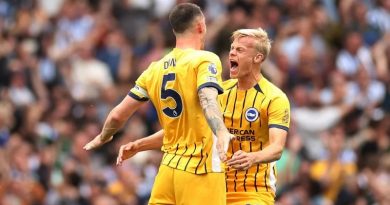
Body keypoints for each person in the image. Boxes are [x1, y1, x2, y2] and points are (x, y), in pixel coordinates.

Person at [117, 28, 290, 205]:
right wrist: (139, 145)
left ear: (258, 58)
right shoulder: (219, 92)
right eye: (232, 48)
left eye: (240, 50)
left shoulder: (274, 98)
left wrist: (252, 157)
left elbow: (276, 148)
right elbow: (186, 131)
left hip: (253, 192)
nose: (232, 52)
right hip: (215, 187)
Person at [83, 3, 233, 205]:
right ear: (201, 25)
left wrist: (104, 136)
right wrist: (222, 131)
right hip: (200, 169)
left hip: (168, 171)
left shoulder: (154, 69)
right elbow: (207, 97)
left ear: (174, 30)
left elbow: (118, 115)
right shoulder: (204, 59)